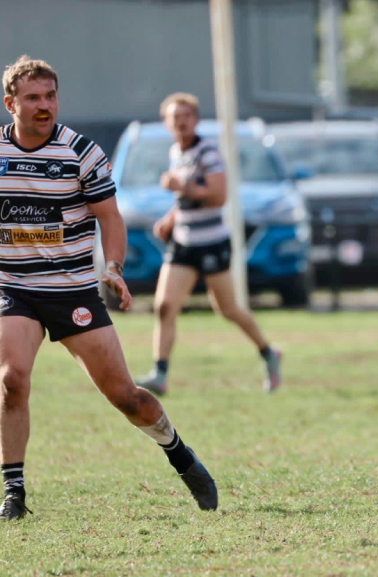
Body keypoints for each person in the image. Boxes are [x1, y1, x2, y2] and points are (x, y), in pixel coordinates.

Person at [0, 56, 217, 520]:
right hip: (14, 287)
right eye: (33, 98)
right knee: (11, 381)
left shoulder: (82, 152)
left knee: (125, 396)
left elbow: (109, 219)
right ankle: (14, 493)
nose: (45, 106)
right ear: (10, 104)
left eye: (51, 96)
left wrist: (113, 266)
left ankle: (180, 454)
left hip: (73, 289)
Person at [135, 93, 281, 395]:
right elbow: (189, 200)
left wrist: (181, 186)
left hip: (212, 243)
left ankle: (268, 352)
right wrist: (171, 217)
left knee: (227, 310)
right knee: (164, 306)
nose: (181, 122)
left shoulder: (208, 151)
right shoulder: (176, 152)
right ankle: (159, 374)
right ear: (166, 124)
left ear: (196, 120)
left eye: (186, 116)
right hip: (184, 243)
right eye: (175, 117)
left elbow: (219, 195)